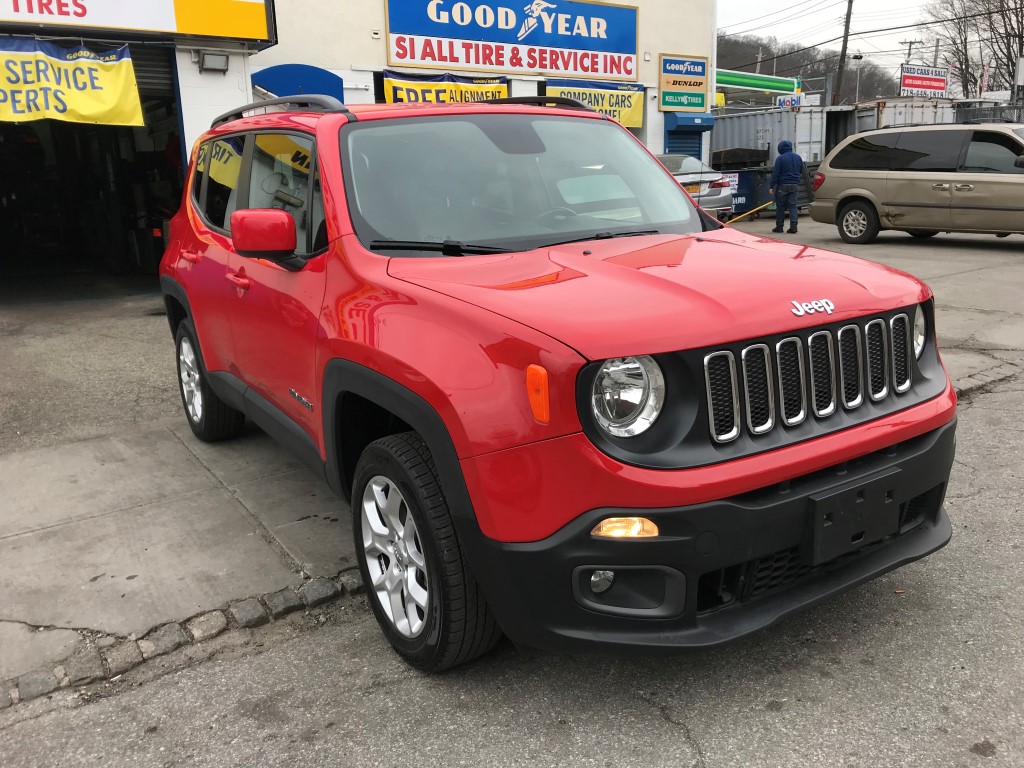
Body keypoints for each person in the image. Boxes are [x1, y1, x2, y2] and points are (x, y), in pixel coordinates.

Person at [769, 140, 804, 234]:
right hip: (795, 185)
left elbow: (775, 174)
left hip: (782, 186)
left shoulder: (780, 159)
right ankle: (793, 226)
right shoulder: (798, 157)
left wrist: (771, 186)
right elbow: (801, 170)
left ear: (780, 149)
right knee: (792, 206)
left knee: (780, 207)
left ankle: (779, 227)